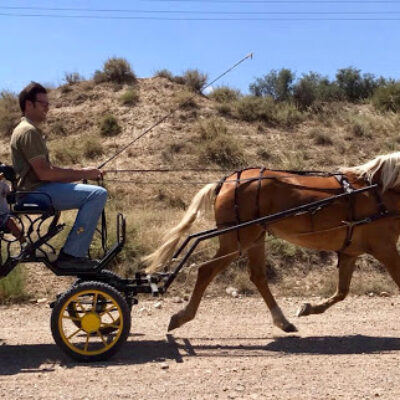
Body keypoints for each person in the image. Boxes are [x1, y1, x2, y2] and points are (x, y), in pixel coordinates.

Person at [10, 82, 107, 269]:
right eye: (43, 103)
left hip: (37, 189)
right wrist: (85, 173)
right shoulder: (28, 132)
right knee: (97, 194)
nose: (48, 107)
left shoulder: (27, 130)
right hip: (36, 191)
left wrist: (81, 172)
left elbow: (47, 169)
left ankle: (74, 254)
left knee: (95, 193)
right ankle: (72, 254)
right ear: (29, 105)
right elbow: (45, 173)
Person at [0, 173, 26, 246]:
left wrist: (13, 183)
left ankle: (25, 245)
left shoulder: (2, 184)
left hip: (3, 214)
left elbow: (9, 193)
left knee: (10, 221)